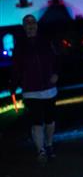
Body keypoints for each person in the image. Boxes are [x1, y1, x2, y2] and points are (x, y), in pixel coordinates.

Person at [10, 14, 59, 164]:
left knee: (50, 121)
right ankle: (40, 151)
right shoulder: (20, 46)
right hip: (31, 90)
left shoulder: (46, 41)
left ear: (36, 25)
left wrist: (56, 73)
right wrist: (13, 86)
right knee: (36, 122)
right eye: (27, 23)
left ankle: (49, 144)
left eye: (32, 22)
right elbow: (16, 67)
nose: (30, 25)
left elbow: (56, 59)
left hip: (49, 89)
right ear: (24, 27)